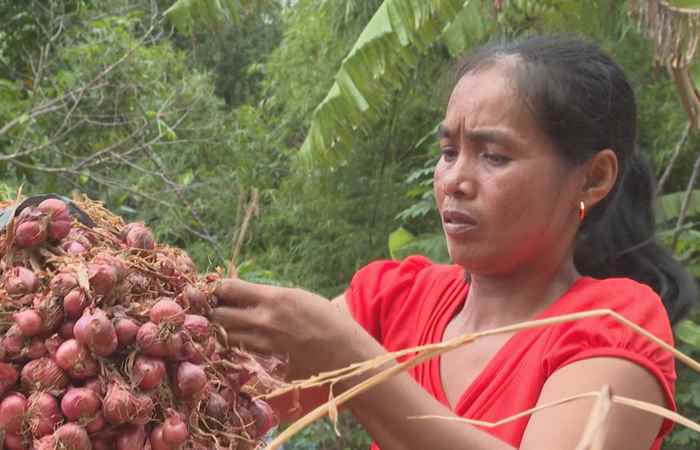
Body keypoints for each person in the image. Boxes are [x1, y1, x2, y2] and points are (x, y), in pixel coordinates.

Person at [211, 35, 697, 450]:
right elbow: (223, 410)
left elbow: (340, 353)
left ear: (593, 178)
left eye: (494, 156)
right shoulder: (394, 299)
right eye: (448, 152)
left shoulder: (614, 325)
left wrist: (352, 361)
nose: (454, 181)